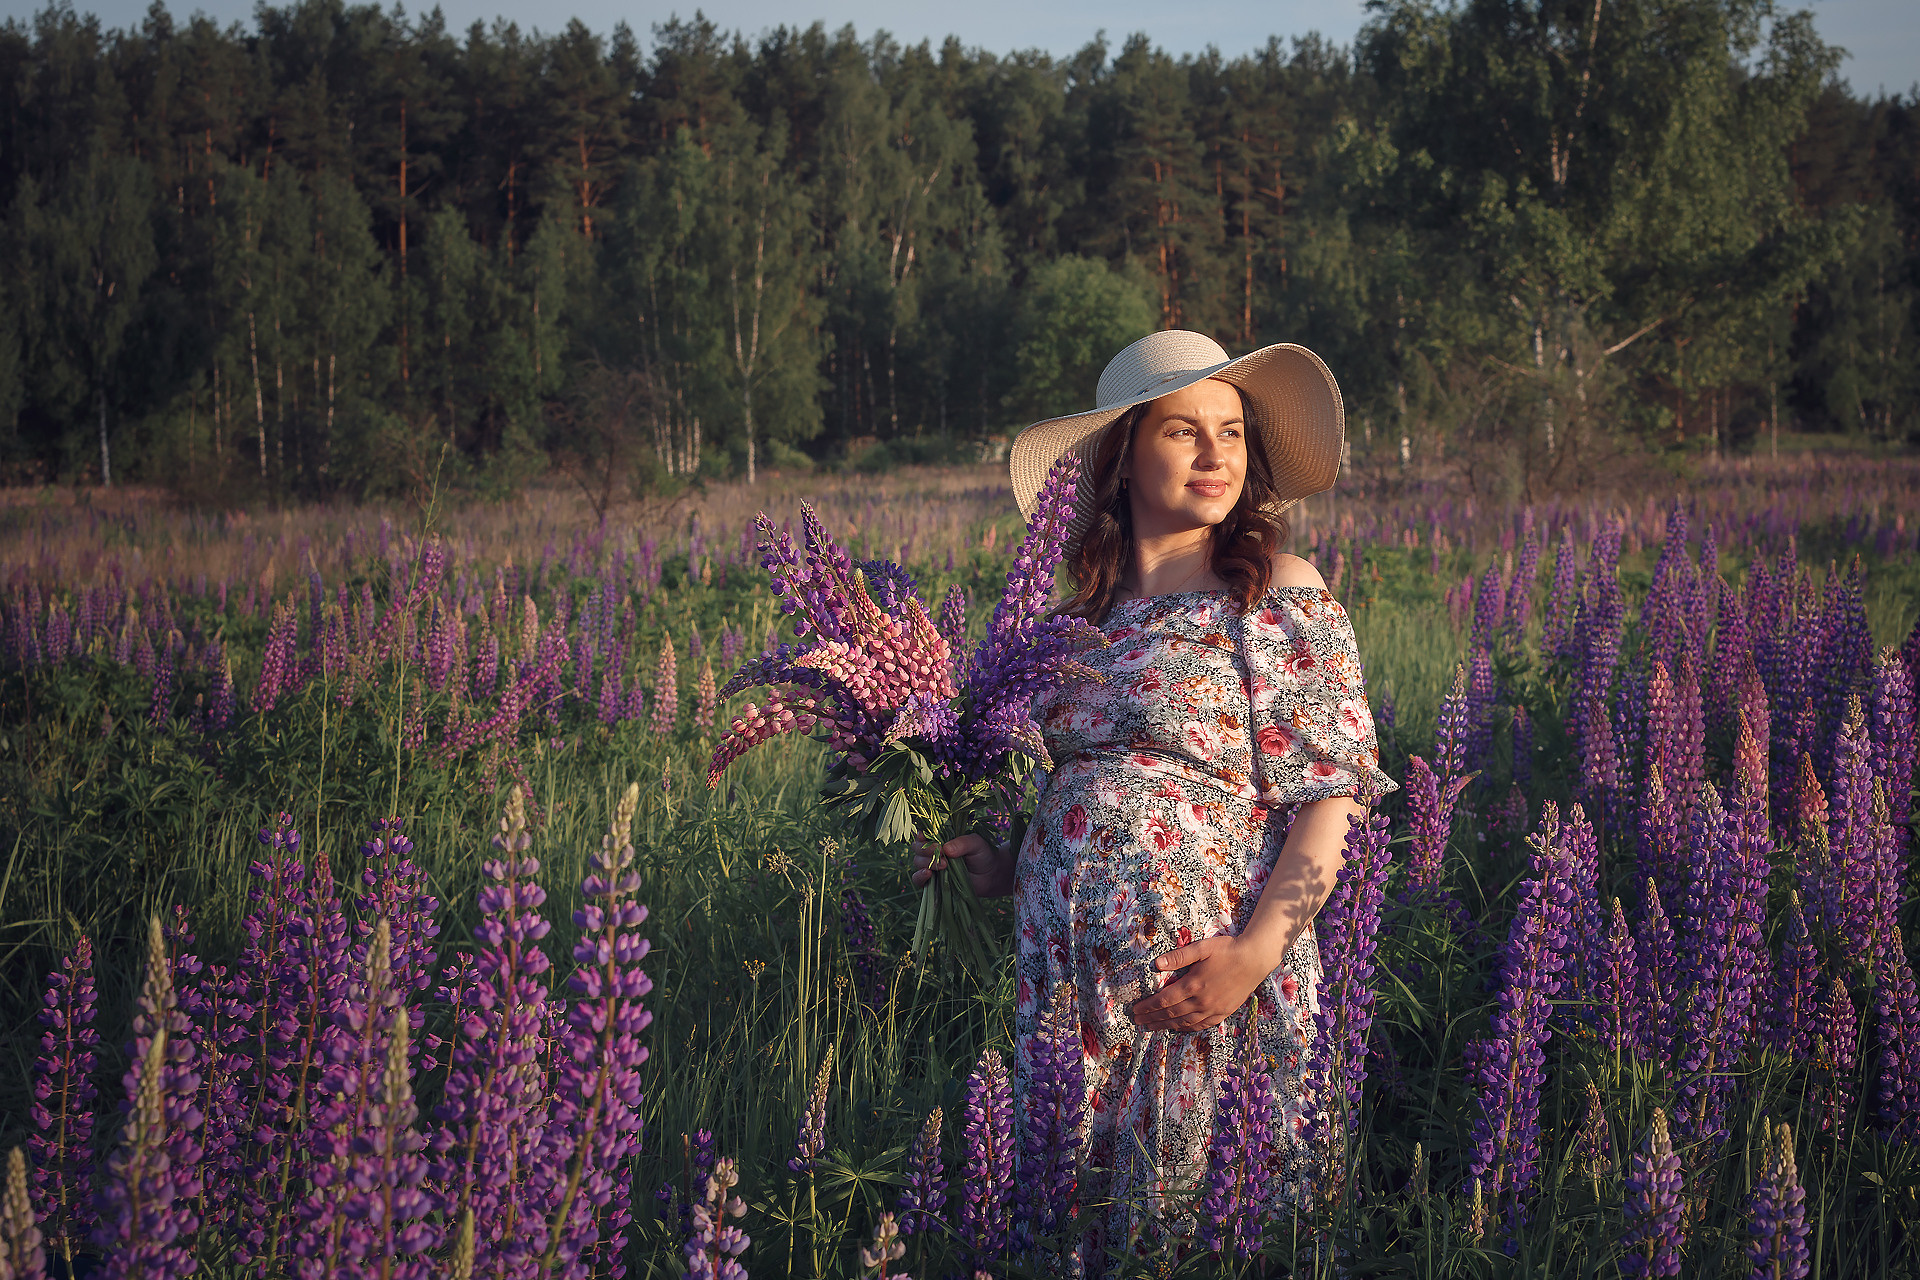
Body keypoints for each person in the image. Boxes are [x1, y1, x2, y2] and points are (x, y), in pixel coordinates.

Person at [913, 329, 1398, 1268]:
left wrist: (1253, 957)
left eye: (1232, 432)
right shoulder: (1065, 625)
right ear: (1123, 455)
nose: (1216, 454)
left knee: (1209, 1225)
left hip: (1209, 976)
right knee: (1080, 1228)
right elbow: (1069, 798)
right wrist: (1000, 867)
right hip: (1069, 986)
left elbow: (1329, 803)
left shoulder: (1274, 594)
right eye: (1184, 431)